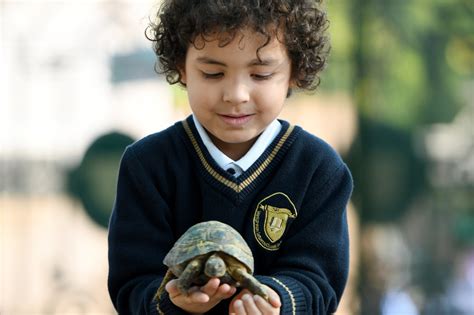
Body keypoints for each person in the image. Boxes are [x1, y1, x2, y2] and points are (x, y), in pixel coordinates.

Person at [107, 0, 353, 314]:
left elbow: (319, 282)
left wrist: (275, 300)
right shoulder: (147, 165)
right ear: (182, 67)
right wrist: (173, 302)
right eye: (212, 73)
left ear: (295, 70)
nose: (236, 94)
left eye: (261, 74)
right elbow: (131, 285)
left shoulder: (319, 169)